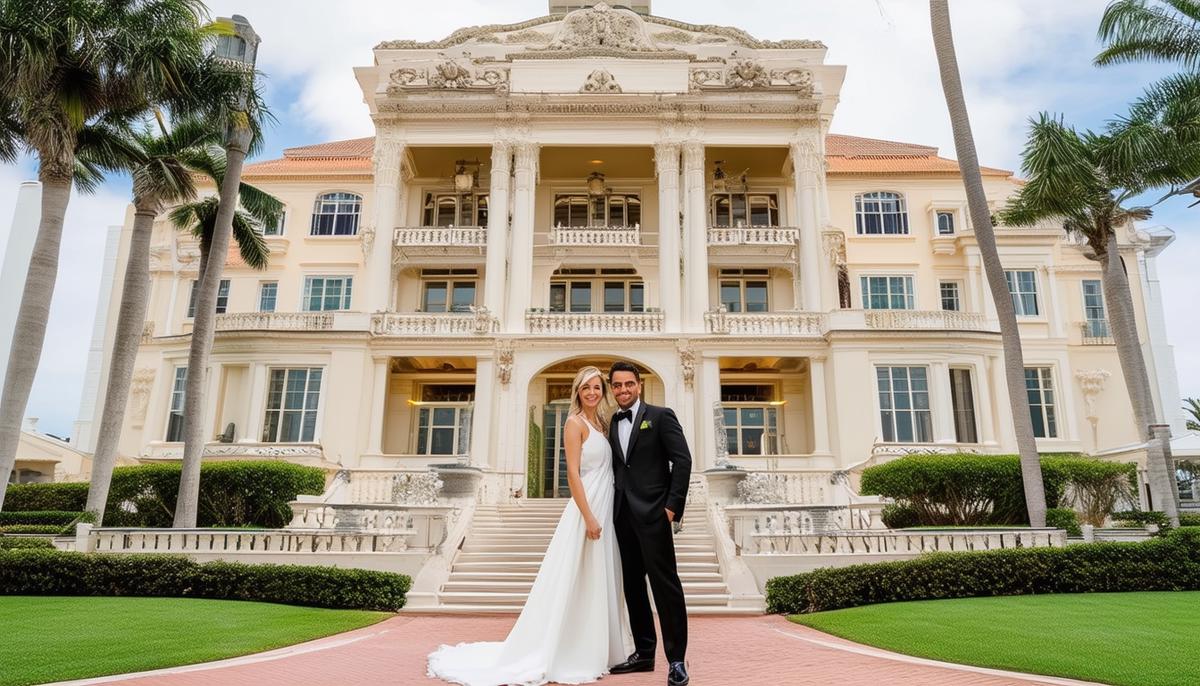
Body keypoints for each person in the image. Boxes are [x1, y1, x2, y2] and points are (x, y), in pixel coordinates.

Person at [427, 366, 632, 686]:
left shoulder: (602, 423)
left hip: (608, 505)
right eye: (585, 388)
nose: (592, 392)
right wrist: (589, 516)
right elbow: (573, 474)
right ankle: (569, 649)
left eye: (596, 387)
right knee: (580, 575)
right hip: (588, 507)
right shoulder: (574, 423)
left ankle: (602, 646)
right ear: (577, 391)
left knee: (602, 575)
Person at [606, 360, 692, 686]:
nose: (623, 390)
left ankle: (677, 661)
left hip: (655, 514)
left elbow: (682, 460)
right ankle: (644, 653)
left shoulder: (660, 416)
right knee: (633, 587)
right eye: (617, 385)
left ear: (639, 385)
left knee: (665, 587)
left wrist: (672, 508)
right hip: (622, 517)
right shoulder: (612, 422)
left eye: (628, 384)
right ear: (612, 388)